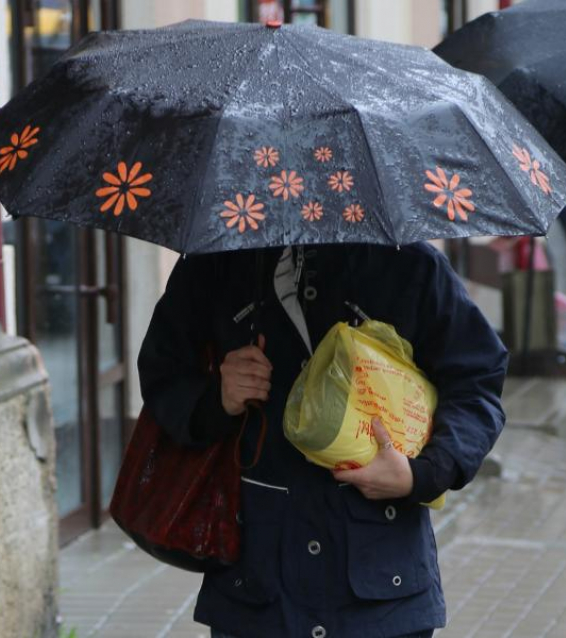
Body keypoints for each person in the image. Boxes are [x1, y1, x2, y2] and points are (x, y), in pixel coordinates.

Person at [138, 242, 509, 638]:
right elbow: (165, 373)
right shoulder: (215, 261)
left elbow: (476, 382)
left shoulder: (410, 263)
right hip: (257, 587)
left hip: (382, 588)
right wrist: (217, 398)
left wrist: (422, 474)